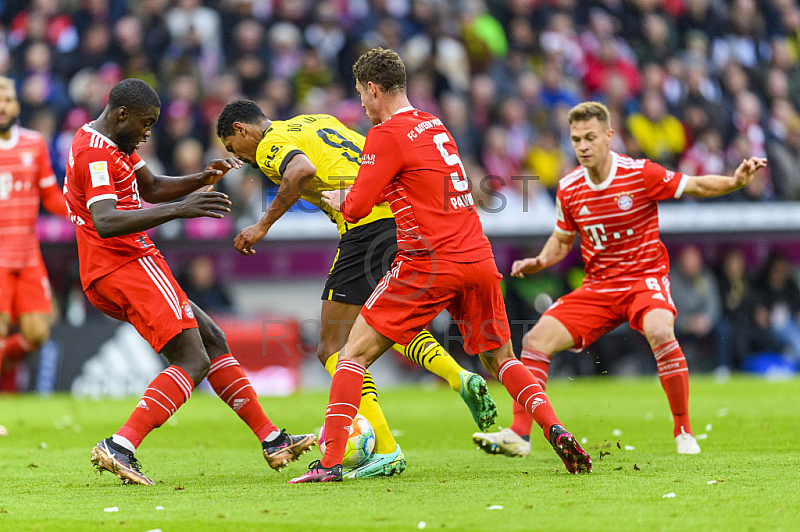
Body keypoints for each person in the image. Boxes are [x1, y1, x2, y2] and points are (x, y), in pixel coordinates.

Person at [290, 48, 591, 483]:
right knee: (502, 359)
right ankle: (554, 427)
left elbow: (356, 207)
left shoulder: (385, 134)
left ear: (373, 89)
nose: (361, 104)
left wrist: (340, 199)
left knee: (348, 353)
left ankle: (330, 462)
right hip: (479, 260)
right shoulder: (435, 125)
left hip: (428, 263)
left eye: (360, 94)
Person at [216, 99, 498, 479]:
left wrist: (261, 225)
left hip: (364, 230)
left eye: (236, 151)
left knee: (333, 346)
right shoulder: (315, 119)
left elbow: (301, 170)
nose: (244, 159)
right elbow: (372, 157)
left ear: (240, 129)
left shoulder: (269, 145)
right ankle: (457, 376)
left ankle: (386, 447)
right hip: (397, 220)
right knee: (382, 323)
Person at [474, 101, 766, 457]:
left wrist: (735, 182)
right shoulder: (568, 188)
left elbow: (697, 186)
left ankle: (684, 430)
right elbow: (562, 240)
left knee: (660, 331)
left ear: (609, 136)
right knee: (536, 340)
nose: (582, 146)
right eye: (576, 139)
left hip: (644, 280)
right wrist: (539, 260)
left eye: (590, 137)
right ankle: (520, 435)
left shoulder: (640, 173)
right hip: (598, 288)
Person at [63, 78, 315, 486]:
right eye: (146, 124)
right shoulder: (95, 153)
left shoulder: (113, 143)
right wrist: (182, 209)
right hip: (125, 264)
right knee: (193, 360)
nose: (148, 134)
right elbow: (106, 220)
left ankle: (272, 439)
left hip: (120, 267)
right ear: (122, 114)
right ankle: (120, 445)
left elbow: (152, 187)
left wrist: (201, 179)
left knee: (212, 339)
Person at [0, 77, 68, 392]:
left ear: (17, 104)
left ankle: (3, 364)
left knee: (38, 333)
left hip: (27, 255)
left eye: (8, 99)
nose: (2, 106)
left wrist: (83, 213)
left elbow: (51, 195)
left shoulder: (34, 143)